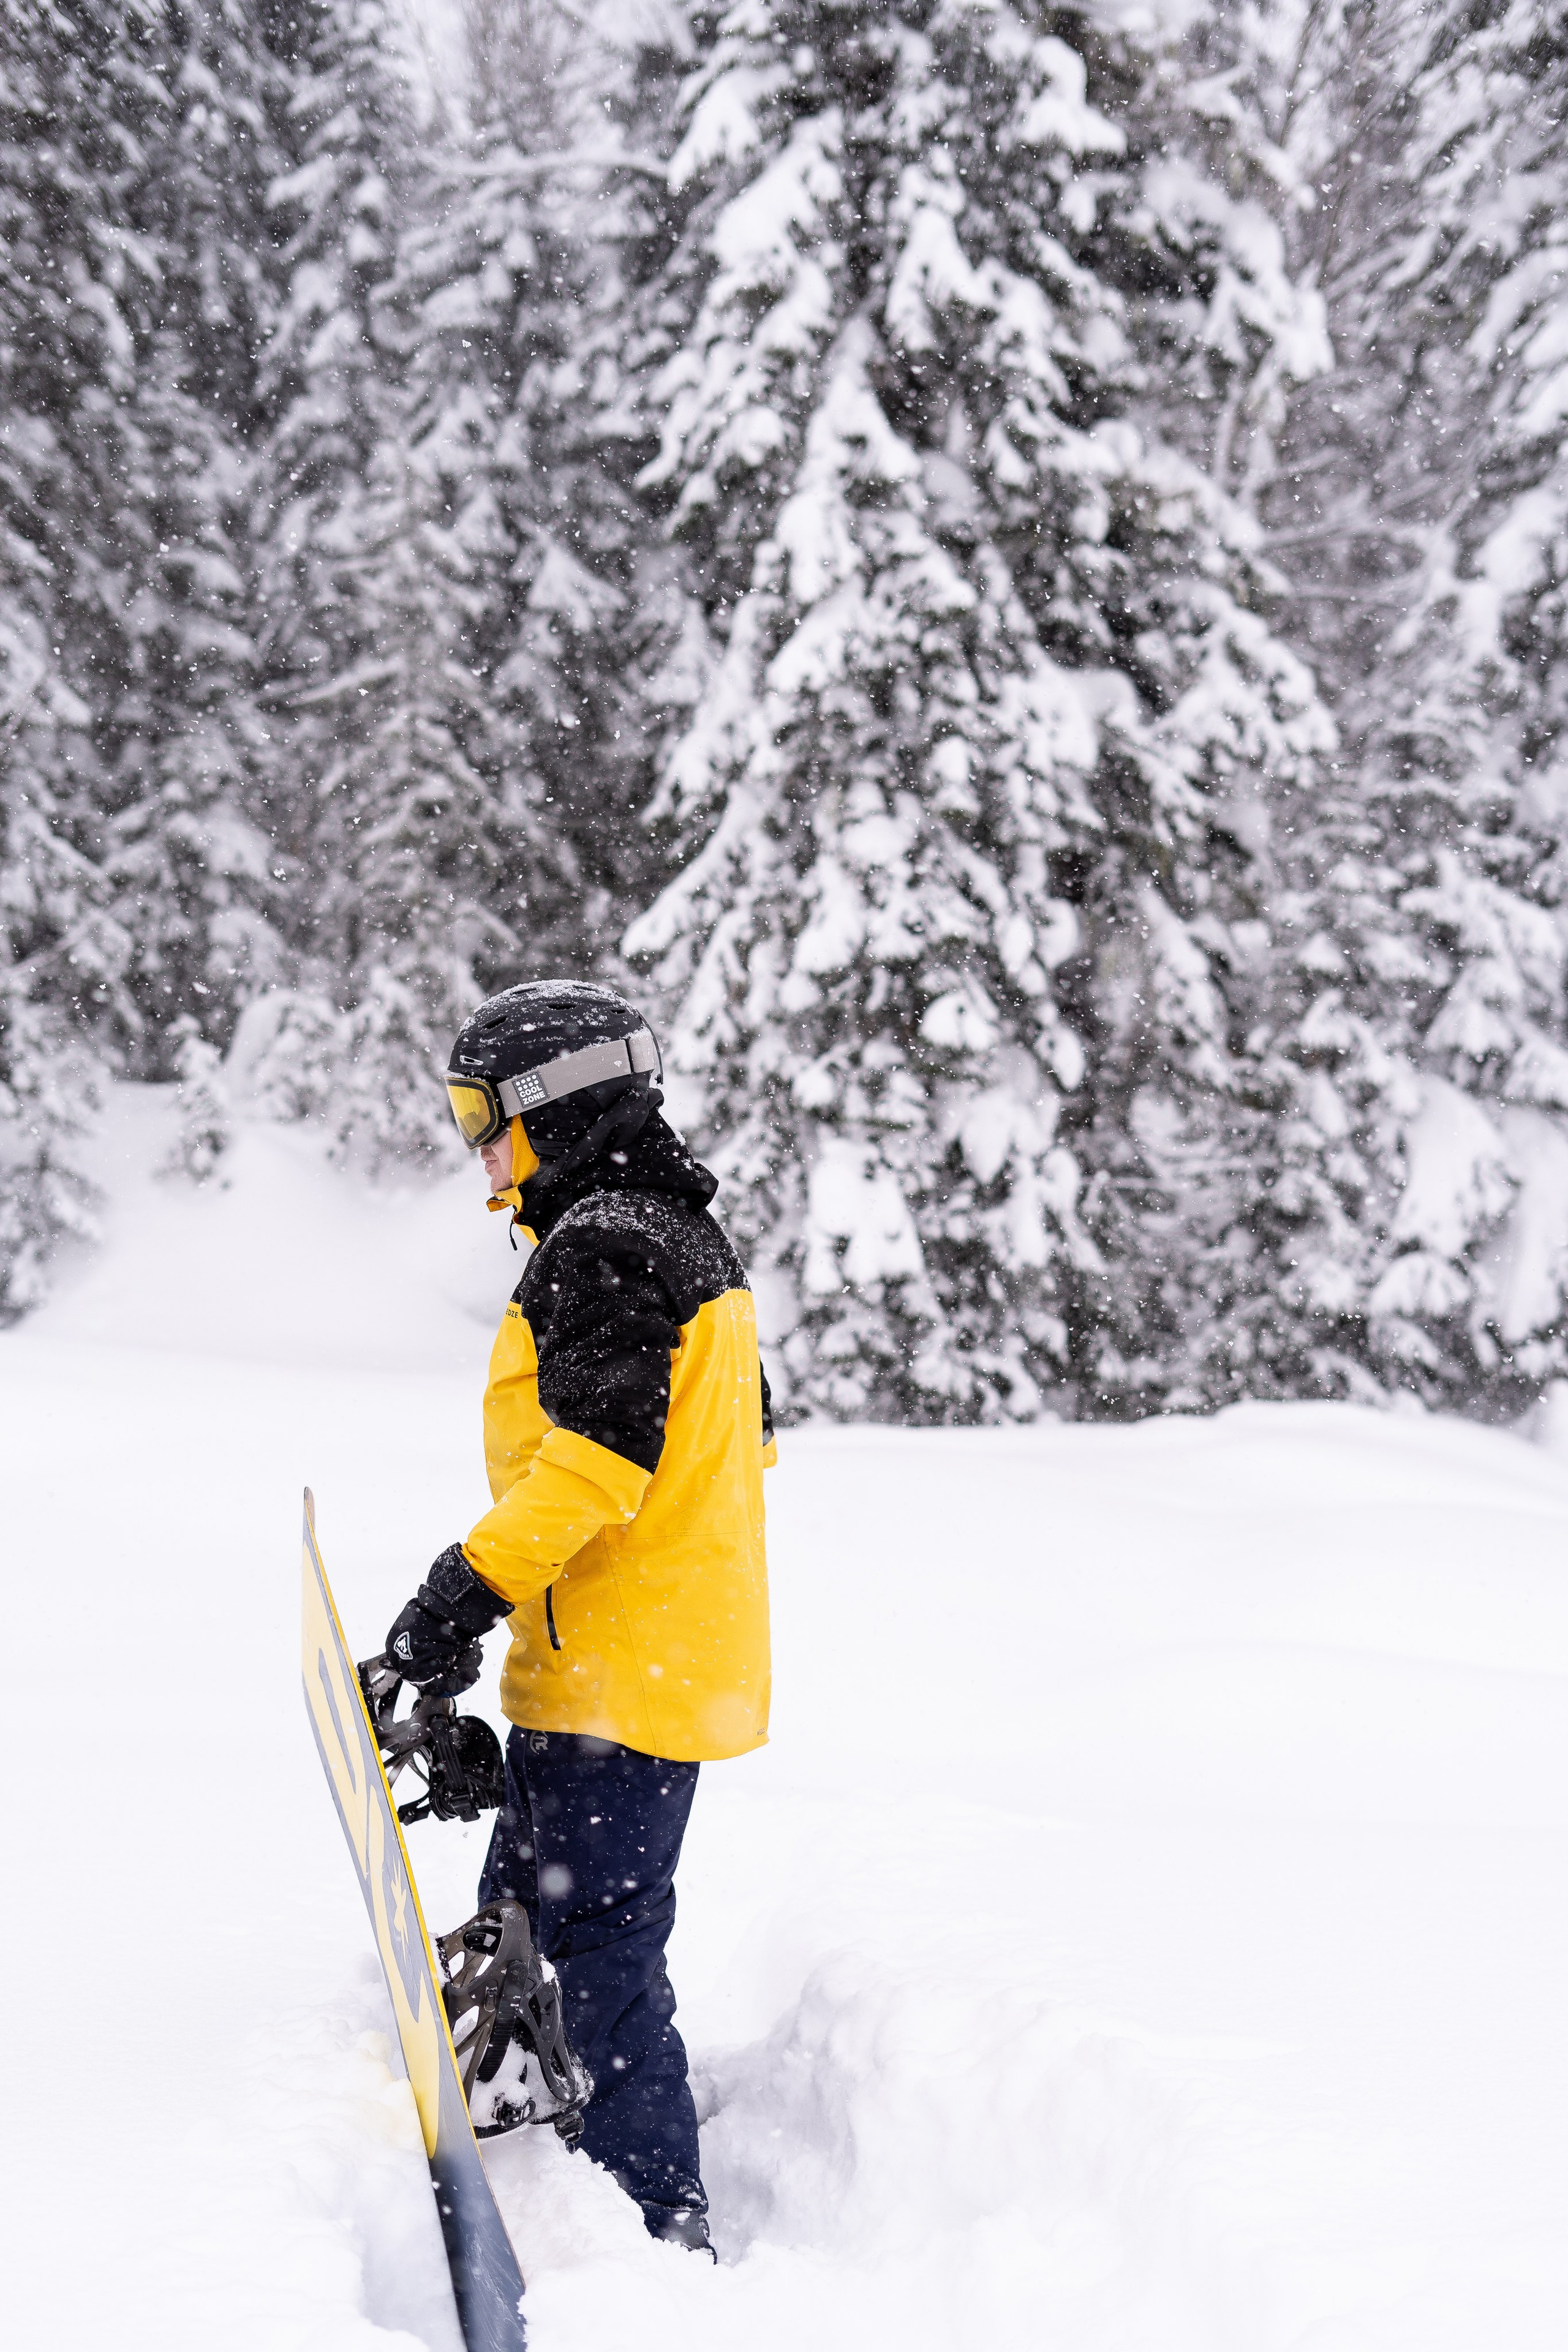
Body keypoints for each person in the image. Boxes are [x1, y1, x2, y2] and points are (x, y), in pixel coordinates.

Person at [384, 979, 773, 2256]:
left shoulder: (608, 1246)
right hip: (635, 1663)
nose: (477, 1151)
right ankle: (520, 2090)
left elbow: (599, 1467)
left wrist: (459, 1596)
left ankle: (657, 2219)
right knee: (531, 1913)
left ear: (554, 1107)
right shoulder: (679, 1237)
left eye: (480, 1118)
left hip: (623, 1675)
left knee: (601, 1955)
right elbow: (735, 1451)